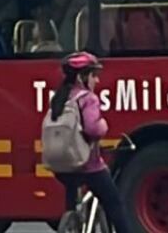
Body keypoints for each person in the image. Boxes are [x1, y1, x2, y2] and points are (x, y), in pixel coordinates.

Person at [48, 51, 135, 233]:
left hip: (61, 166)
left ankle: (71, 219)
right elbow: (93, 129)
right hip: (88, 165)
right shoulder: (88, 99)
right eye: (94, 76)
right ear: (82, 77)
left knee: (71, 198)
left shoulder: (60, 98)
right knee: (114, 203)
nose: (97, 81)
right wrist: (103, 125)